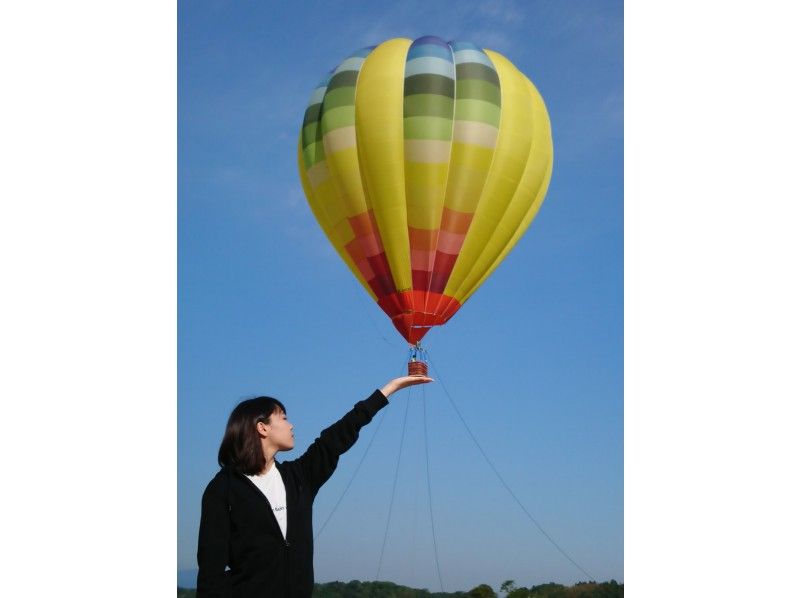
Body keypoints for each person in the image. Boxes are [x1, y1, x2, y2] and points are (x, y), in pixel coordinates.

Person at [196, 375, 433, 598]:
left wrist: (390, 389)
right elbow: (210, 573)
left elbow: (336, 438)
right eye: (283, 417)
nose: (291, 425)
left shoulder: (299, 477)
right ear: (262, 427)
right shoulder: (223, 489)